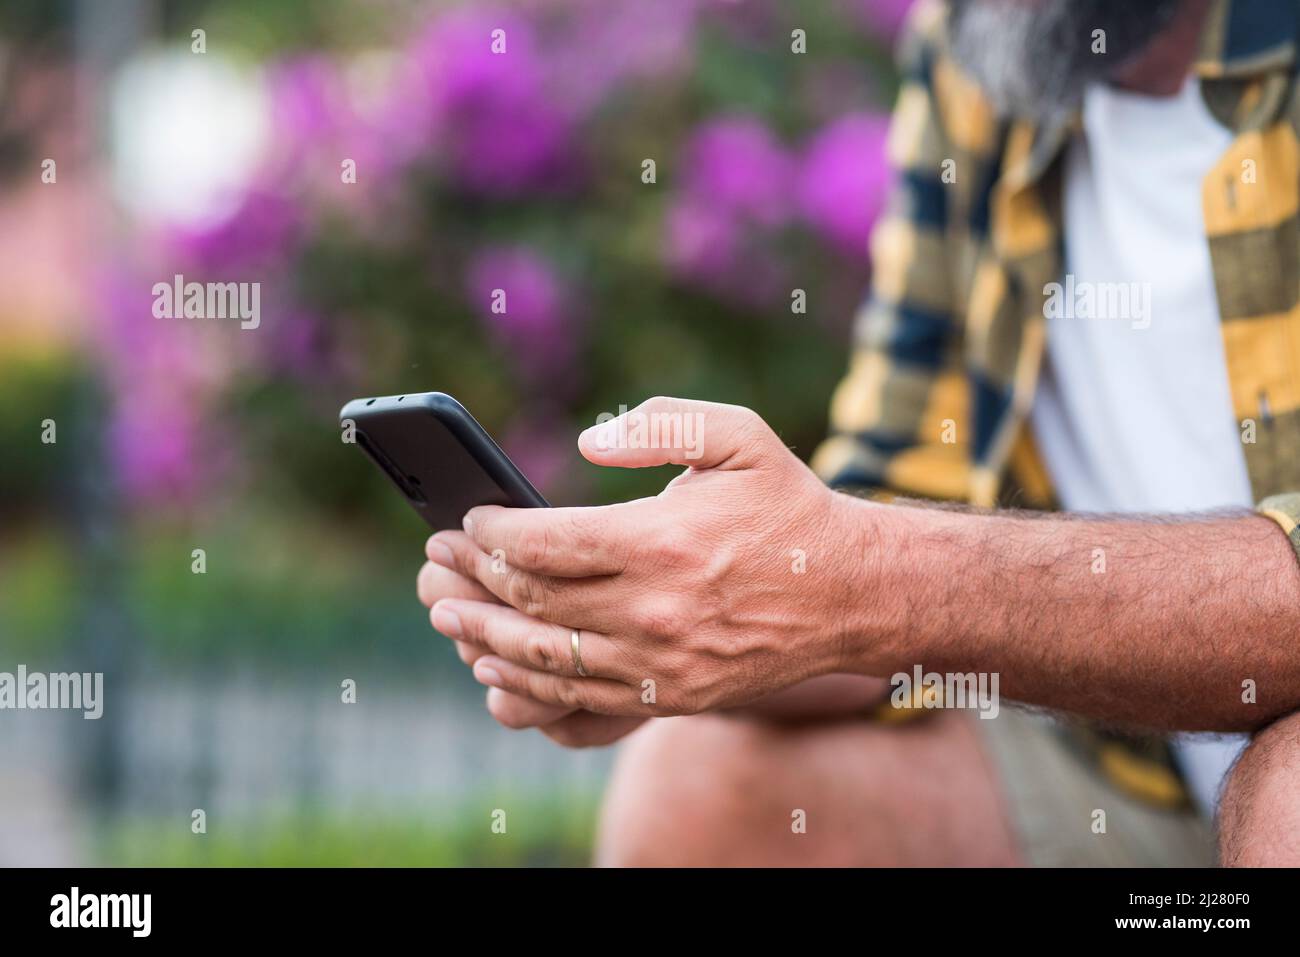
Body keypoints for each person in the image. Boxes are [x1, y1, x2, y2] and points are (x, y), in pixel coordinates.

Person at [416, 0, 1300, 866]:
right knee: (705, 788)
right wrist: (676, 626)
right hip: (1126, 759)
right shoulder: (981, 38)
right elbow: (891, 519)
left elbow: (882, 577)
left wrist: (866, 577)